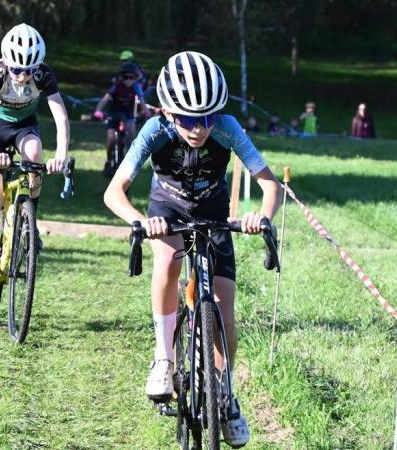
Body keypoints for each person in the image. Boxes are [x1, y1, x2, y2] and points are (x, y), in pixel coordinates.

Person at [104, 51, 281, 448]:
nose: (198, 129)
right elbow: (113, 192)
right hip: (166, 209)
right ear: (168, 112)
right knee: (167, 258)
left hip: (214, 211)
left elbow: (270, 185)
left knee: (225, 308)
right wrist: (139, 220)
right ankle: (165, 358)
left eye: (207, 118)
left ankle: (226, 391)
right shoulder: (154, 130)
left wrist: (262, 217)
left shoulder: (228, 127)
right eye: (187, 119)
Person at [0, 23, 70, 319]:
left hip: (25, 128)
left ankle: (30, 220)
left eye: (28, 70)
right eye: (17, 70)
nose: (22, 76)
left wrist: (61, 154)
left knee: (35, 153)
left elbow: (60, 116)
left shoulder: (43, 74)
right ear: (7, 63)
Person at [94, 62, 151, 177]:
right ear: (121, 77)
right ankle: (109, 160)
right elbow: (105, 99)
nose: (128, 80)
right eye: (125, 77)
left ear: (135, 78)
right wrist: (98, 111)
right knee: (110, 137)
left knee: (132, 132)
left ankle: (130, 160)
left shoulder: (136, 87)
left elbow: (142, 100)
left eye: (131, 77)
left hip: (128, 114)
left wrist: (146, 112)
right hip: (114, 112)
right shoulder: (116, 87)